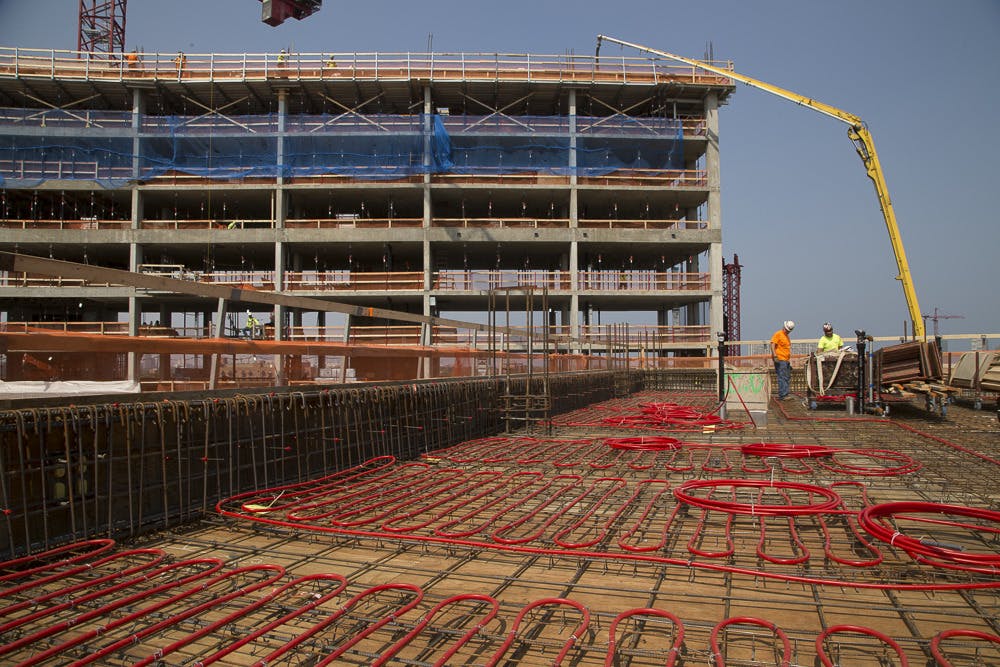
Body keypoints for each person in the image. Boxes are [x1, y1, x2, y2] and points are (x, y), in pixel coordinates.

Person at [770, 320, 795, 400]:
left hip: (786, 360)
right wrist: (774, 355)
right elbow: (772, 344)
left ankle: (785, 393)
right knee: (782, 376)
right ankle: (783, 395)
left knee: (786, 376)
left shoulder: (787, 336)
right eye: (786, 329)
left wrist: (788, 362)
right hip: (780, 359)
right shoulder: (778, 334)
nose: (787, 331)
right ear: (784, 327)